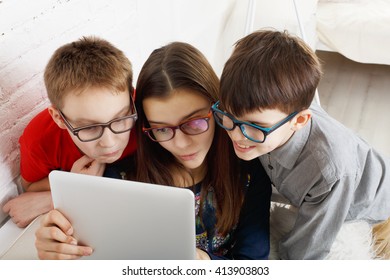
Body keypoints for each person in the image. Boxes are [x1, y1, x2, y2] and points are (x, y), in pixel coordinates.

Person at [34, 42, 272, 260]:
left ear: (218, 108)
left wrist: (207, 263)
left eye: (194, 123)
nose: (180, 144)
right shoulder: (120, 179)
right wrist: (58, 249)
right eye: (161, 129)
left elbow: (253, 259)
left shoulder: (249, 166)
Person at [212, 29, 390, 259]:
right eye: (230, 115)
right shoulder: (269, 123)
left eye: (255, 125)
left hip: (369, 209)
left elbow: (310, 249)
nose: (237, 135)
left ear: (298, 121)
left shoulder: (329, 171)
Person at [2, 36, 137, 228]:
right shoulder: (40, 139)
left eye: (120, 119)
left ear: (132, 100)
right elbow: (30, 185)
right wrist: (76, 182)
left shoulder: (148, 112)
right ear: (59, 118)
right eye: (89, 128)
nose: (109, 143)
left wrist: (69, 192)